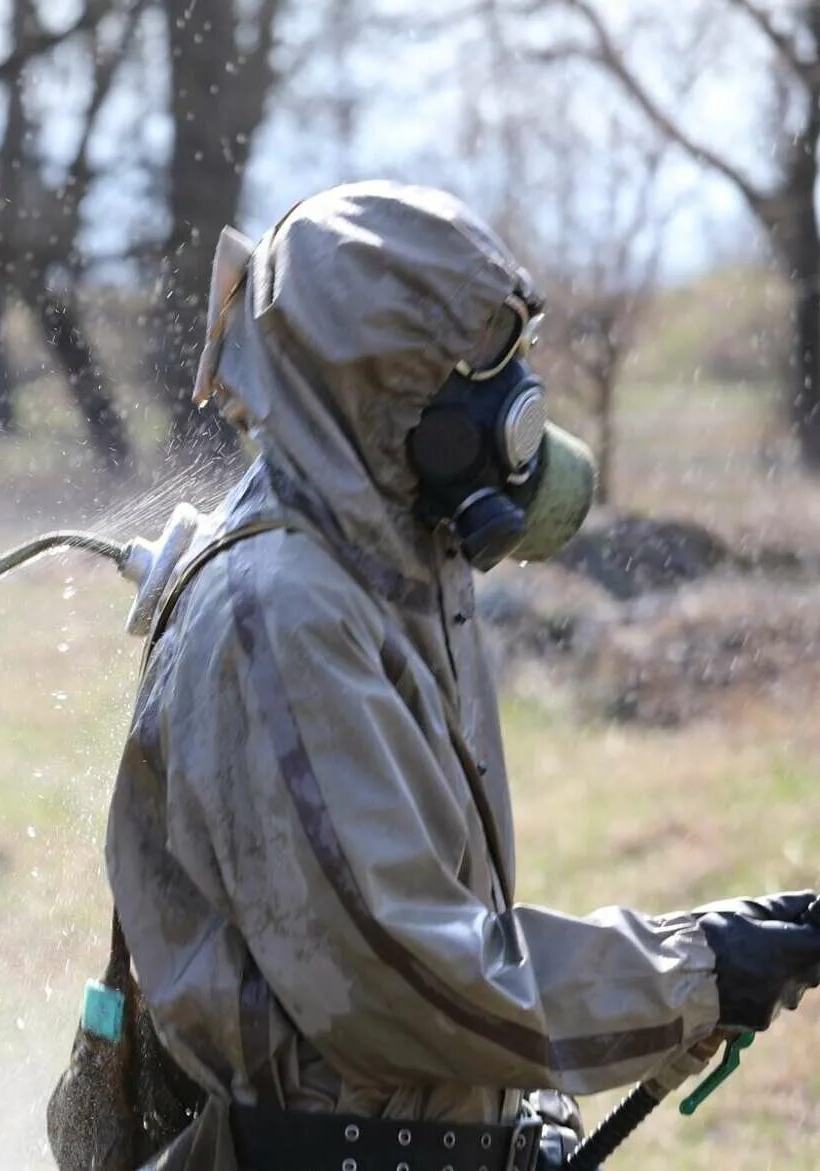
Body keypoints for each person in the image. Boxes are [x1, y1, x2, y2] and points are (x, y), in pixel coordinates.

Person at [72, 182, 820, 1171]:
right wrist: (692, 971)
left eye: (509, 357)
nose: (510, 399)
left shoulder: (394, 556)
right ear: (378, 388)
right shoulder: (277, 613)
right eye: (473, 365)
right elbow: (391, 985)